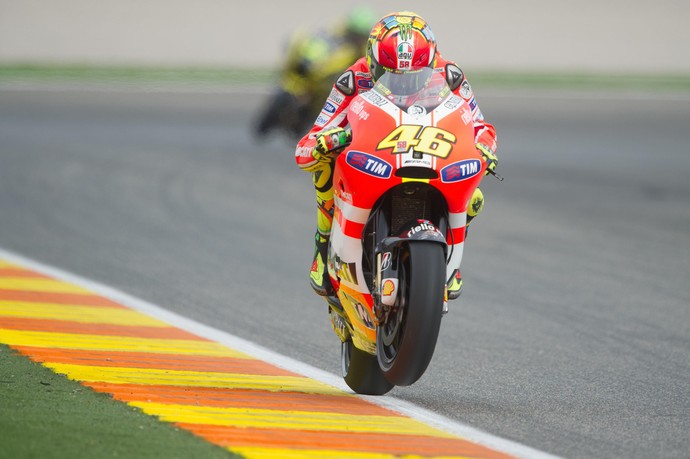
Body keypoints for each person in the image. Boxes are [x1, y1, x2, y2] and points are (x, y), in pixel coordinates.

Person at [295, 11, 498, 299]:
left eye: (415, 76)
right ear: (373, 62)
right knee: (325, 166)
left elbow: (480, 126)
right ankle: (323, 242)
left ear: (431, 62)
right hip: (376, 153)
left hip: (432, 151)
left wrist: (485, 146)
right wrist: (325, 142)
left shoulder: (450, 75)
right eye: (389, 74)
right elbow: (309, 141)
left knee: (474, 198)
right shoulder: (353, 78)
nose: (402, 84)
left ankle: (450, 259)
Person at [254, 6, 377, 139]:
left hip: (329, 86)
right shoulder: (332, 34)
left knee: (328, 105)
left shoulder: (363, 50)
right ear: (349, 28)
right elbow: (313, 41)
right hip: (308, 75)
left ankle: (309, 127)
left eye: (360, 35)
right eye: (355, 33)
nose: (357, 38)